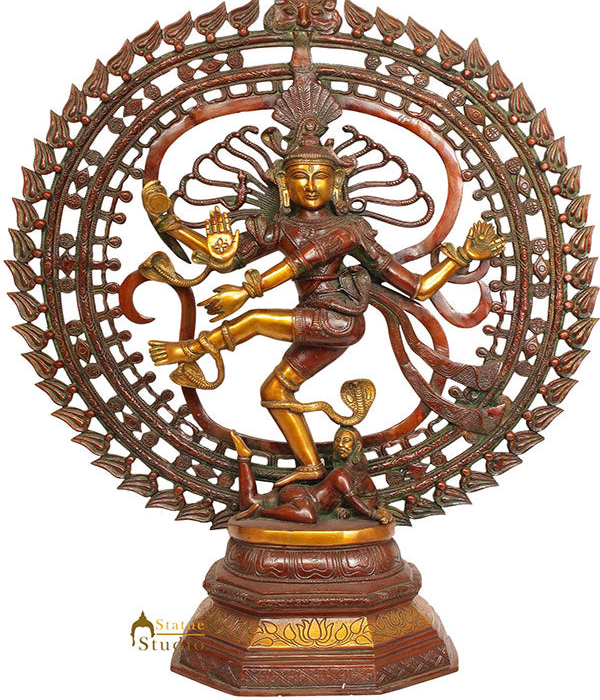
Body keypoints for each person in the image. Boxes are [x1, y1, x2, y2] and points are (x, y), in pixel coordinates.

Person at [144, 78, 505, 486]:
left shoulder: (347, 230)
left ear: (337, 183)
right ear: (284, 183)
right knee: (275, 391)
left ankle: (192, 350)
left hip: (338, 320)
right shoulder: (281, 227)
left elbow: (416, 287)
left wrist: (462, 256)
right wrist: (171, 224)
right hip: (314, 321)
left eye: (321, 176)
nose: (312, 185)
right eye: (301, 176)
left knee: (255, 320)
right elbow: (226, 260)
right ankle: (311, 465)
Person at [233, 426, 393, 525]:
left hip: (305, 499)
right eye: (337, 441)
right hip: (302, 495)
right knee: (309, 516)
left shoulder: (359, 476)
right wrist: (374, 515)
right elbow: (354, 500)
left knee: (249, 501)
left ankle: (244, 457)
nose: (340, 445)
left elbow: (370, 496)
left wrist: (351, 511)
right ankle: (261, 512)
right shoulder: (340, 474)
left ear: (356, 446)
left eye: (346, 441)